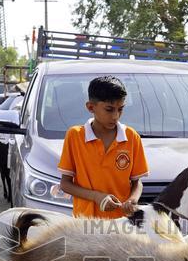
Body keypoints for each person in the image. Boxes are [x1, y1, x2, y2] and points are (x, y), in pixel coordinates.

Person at [58, 75, 148, 219]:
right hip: (85, 222)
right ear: (90, 107)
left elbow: (137, 183)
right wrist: (96, 197)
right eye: (109, 109)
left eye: (120, 109)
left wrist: (132, 200)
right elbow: (65, 184)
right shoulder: (75, 136)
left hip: (121, 223)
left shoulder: (131, 137)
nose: (116, 116)